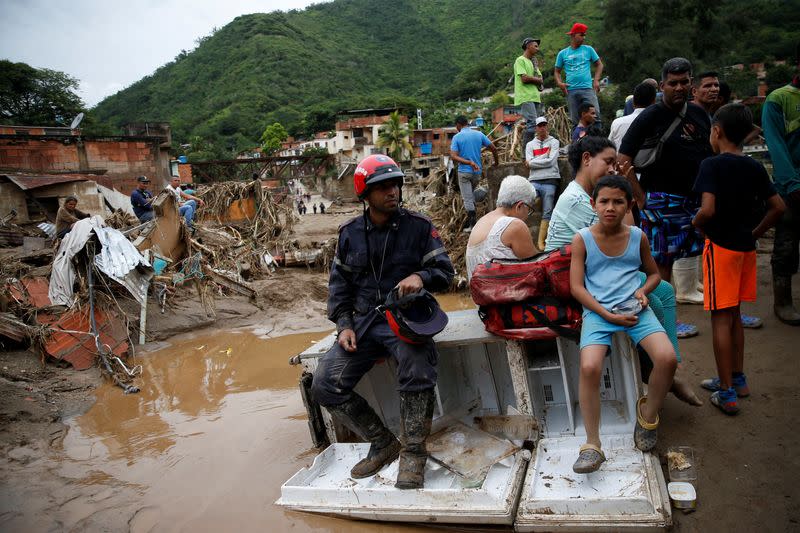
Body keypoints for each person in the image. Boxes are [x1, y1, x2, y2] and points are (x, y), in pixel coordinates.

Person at [311, 154, 454, 490]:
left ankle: (414, 453)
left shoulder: (419, 227)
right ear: (365, 193)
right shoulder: (349, 234)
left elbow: (445, 274)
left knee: (416, 364)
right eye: (383, 186)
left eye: (395, 185)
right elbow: (339, 286)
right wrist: (344, 324)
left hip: (406, 318)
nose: (392, 191)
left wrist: (420, 276)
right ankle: (382, 442)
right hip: (363, 322)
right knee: (323, 384)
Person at [546, 136, 701, 404]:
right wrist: (625, 188)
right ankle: (664, 372)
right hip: (578, 276)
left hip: (599, 267)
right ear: (586, 159)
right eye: (608, 162)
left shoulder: (586, 194)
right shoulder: (579, 200)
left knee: (662, 289)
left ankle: (669, 367)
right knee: (657, 298)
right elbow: (624, 228)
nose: (612, 169)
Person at [569, 175, 676, 473]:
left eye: (618, 202)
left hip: (635, 311)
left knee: (667, 359)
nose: (610, 208)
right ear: (593, 204)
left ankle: (648, 414)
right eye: (604, 201)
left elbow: (653, 274)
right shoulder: (582, 239)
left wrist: (644, 291)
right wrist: (606, 314)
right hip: (598, 313)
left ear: (629, 205)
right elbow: (577, 287)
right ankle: (592, 444)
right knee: (589, 366)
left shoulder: (637, 236)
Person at [692, 104, 785, 413]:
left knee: (720, 317)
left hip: (720, 249)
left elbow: (707, 210)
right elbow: (778, 207)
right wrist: (754, 234)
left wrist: (694, 224)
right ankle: (737, 379)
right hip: (744, 250)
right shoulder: (754, 166)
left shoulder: (711, 165)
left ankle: (727, 392)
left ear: (716, 131)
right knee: (734, 316)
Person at [617, 58, 711, 300]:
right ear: (662, 86)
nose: (678, 88)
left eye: (683, 82)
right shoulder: (650, 116)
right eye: (672, 83)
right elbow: (622, 158)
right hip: (659, 203)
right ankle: (665, 322)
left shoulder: (700, 114)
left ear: (691, 84)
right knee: (660, 266)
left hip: (695, 201)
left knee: (701, 255)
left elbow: (710, 154)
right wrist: (640, 197)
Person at [762, 47, 800, 326]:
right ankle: (783, 301)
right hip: (792, 187)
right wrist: (792, 183)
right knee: (786, 244)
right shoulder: (779, 99)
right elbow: (776, 146)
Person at [465, 175, 538, 279]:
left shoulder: (480, 222)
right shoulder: (514, 225)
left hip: (480, 294)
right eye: (529, 210)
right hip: (507, 294)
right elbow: (537, 267)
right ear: (520, 206)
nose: (527, 215)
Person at [450, 116, 499, 232]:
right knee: (470, 194)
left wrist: (468, 162)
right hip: (477, 173)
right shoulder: (479, 134)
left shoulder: (457, 137)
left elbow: (453, 156)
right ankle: (470, 220)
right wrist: (496, 163)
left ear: (458, 125)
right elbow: (494, 149)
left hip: (464, 173)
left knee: (467, 198)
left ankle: (473, 226)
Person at [554, 22, 604, 128]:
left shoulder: (588, 49)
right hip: (571, 90)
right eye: (581, 35)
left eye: (584, 35)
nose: (584, 37)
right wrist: (560, 83)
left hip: (587, 88)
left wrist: (596, 80)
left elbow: (599, 65)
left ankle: (598, 142)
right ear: (573, 35)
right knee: (576, 120)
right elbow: (557, 71)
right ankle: (578, 143)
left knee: (596, 117)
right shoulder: (563, 53)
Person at [525, 116, 561, 250]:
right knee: (527, 203)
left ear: (548, 126)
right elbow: (530, 164)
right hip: (534, 180)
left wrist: (534, 161)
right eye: (540, 126)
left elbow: (551, 162)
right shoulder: (530, 145)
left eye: (544, 125)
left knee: (548, 211)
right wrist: (545, 156)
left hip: (550, 179)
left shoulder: (554, 142)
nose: (542, 128)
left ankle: (541, 242)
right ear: (536, 128)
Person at [515, 37, 545, 148]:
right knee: (532, 124)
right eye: (535, 46)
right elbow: (524, 79)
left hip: (535, 97)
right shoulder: (520, 60)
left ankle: (535, 149)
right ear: (528, 46)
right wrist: (537, 80)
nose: (538, 49)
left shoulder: (534, 63)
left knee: (538, 124)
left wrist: (537, 79)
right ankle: (526, 154)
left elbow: (541, 81)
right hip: (525, 96)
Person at [609, 81, 657, 150]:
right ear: (654, 102)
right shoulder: (660, 123)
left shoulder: (617, 123)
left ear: (633, 102)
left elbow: (609, 148)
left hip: (620, 160)